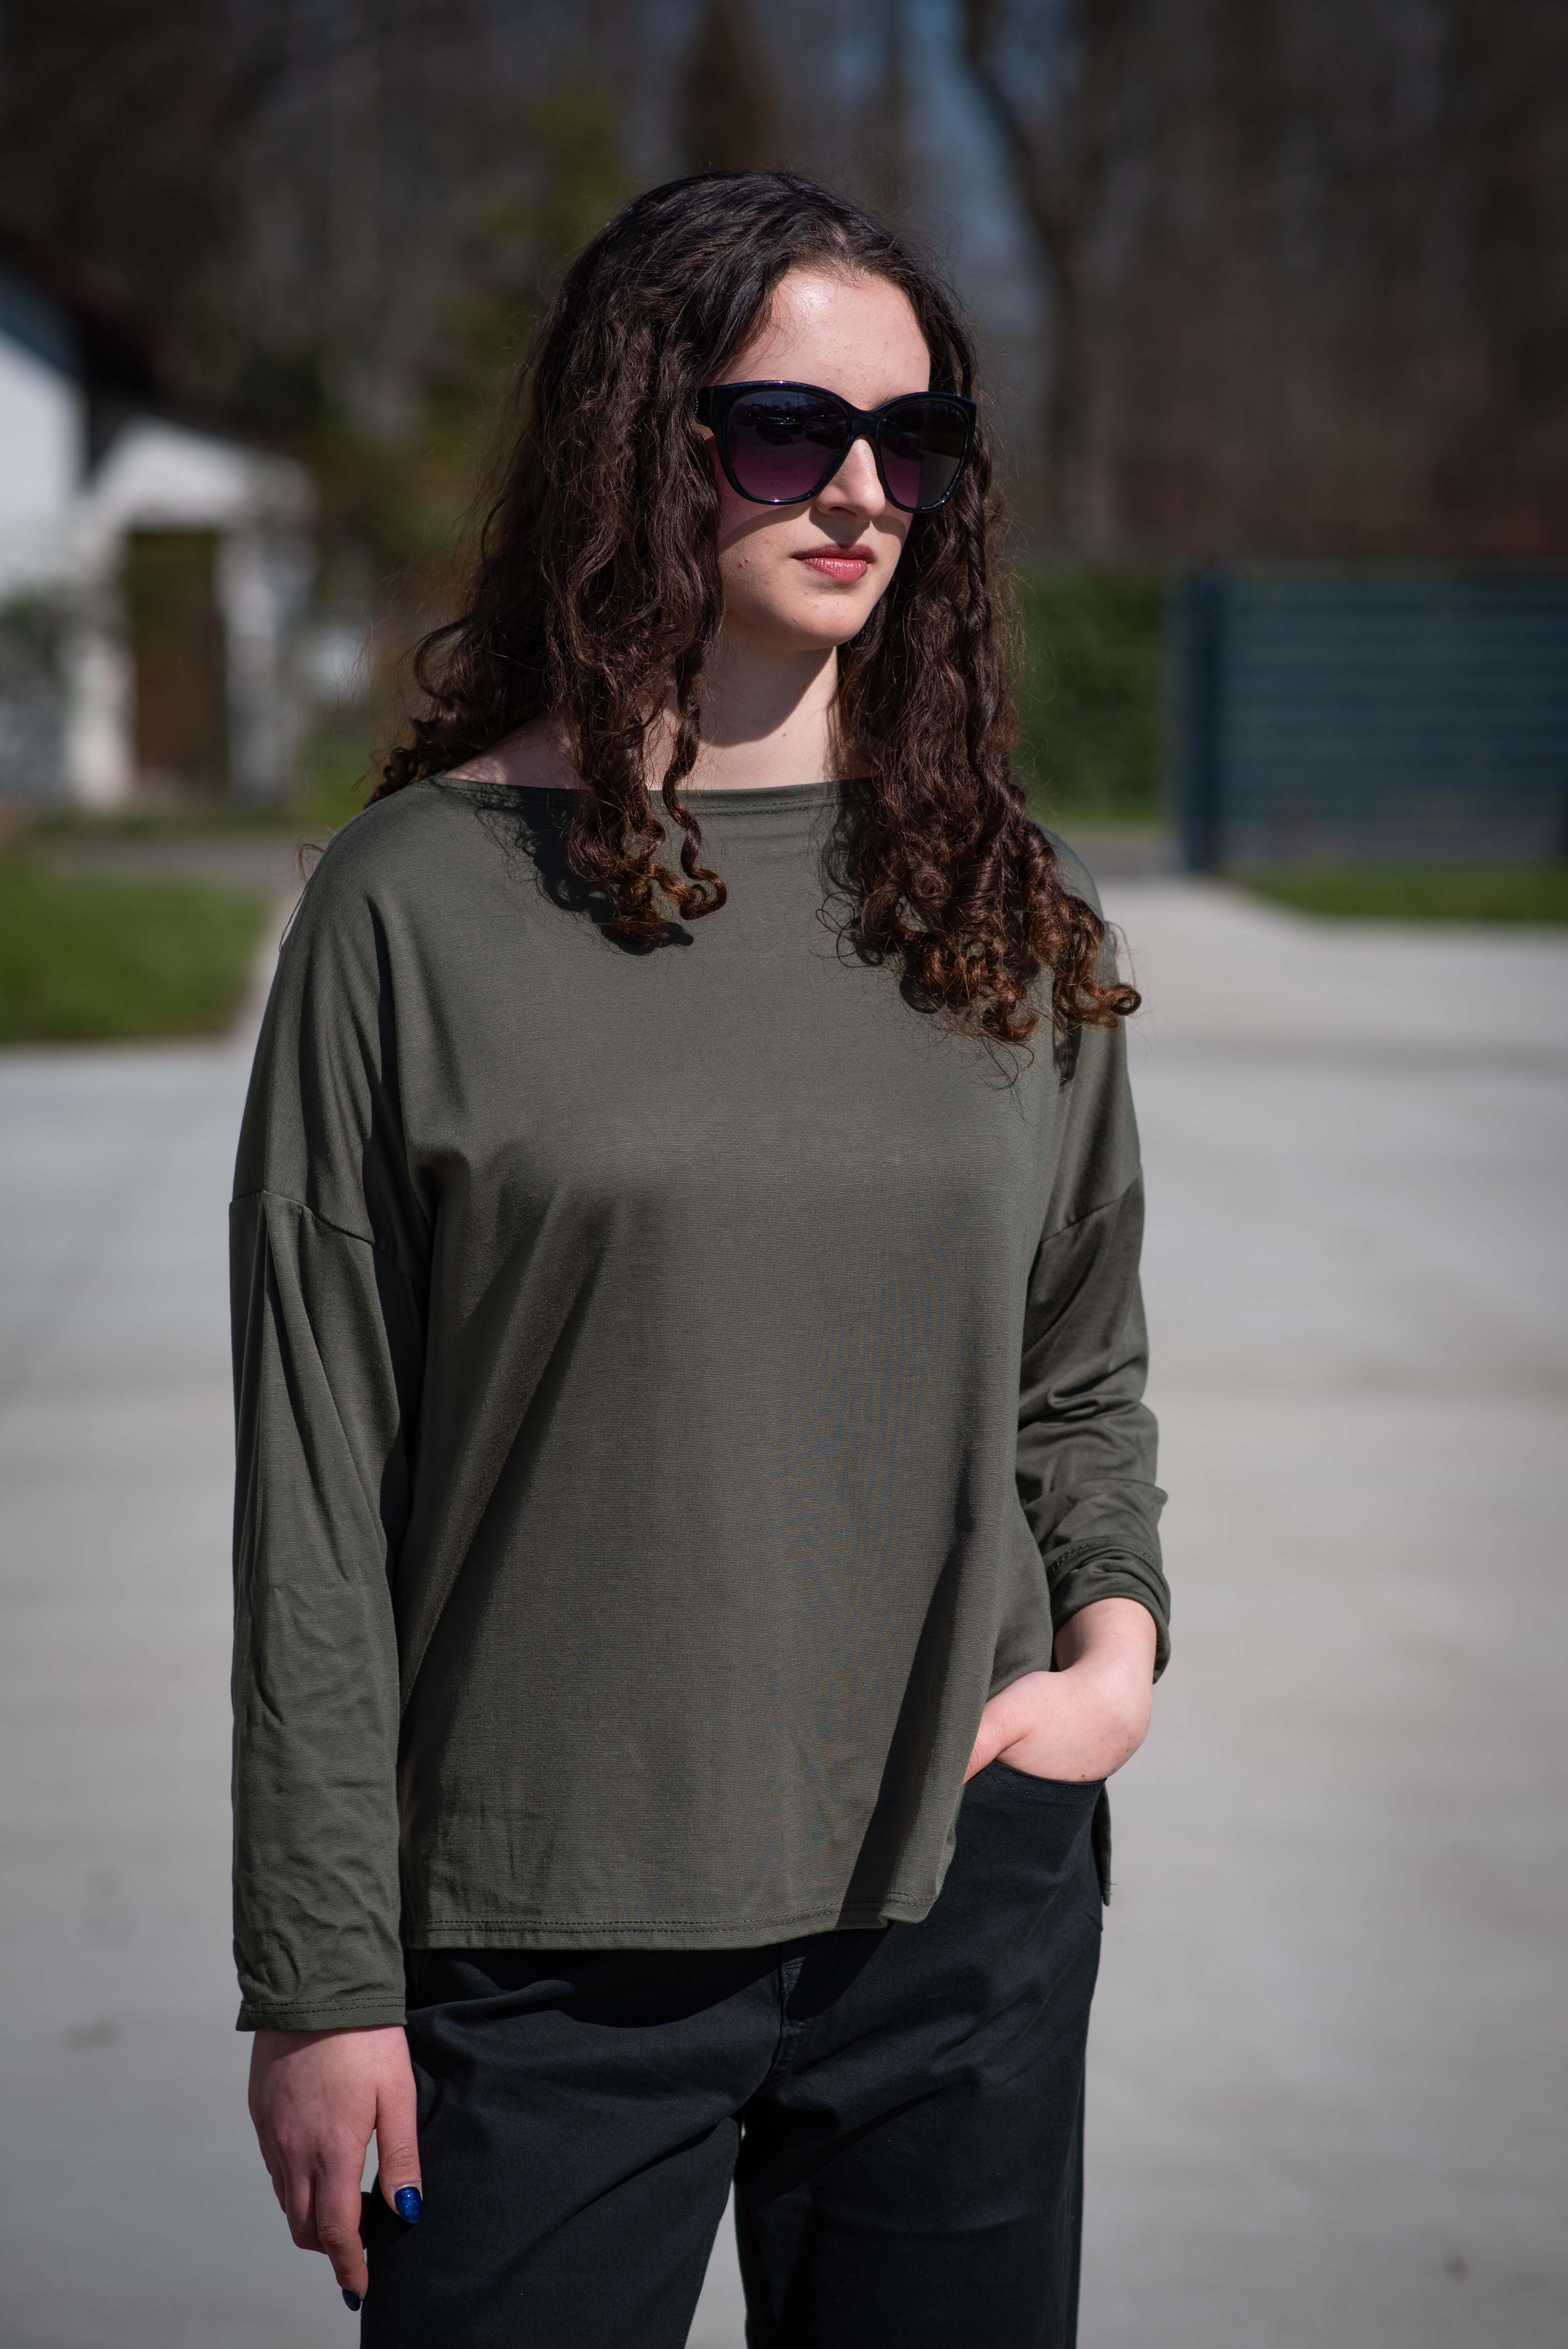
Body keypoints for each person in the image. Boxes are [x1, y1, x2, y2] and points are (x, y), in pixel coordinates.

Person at [232, 169, 1167, 2349]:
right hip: (533, 1944)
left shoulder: (1001, 901)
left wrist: (1110, 1659)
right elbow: (318, 1489)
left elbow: (1078, 1364)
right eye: (784, 430)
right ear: (635, 441)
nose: (859, 491)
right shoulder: (415, 906)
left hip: (958, 1909)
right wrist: (319, 1975)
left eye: (914, 442)